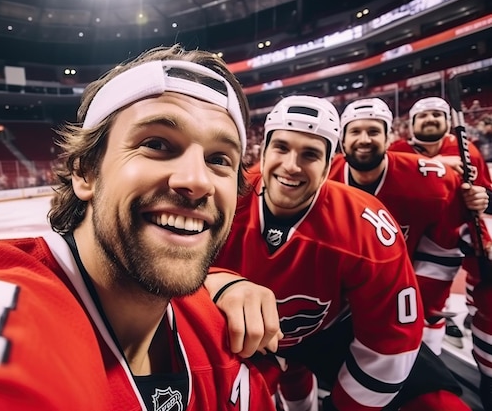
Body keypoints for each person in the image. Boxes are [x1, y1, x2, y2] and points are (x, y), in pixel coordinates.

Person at [0, 45, 277, 411]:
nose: (197, 180)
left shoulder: (221, 330)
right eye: (156, 143)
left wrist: (223, 282)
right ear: (85, 173)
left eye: (220, 158)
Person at [205, 95, 470, 411]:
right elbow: (167, 274)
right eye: (281, 148)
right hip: (244, 331)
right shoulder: (221, 197)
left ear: (329, 164)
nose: (291, 166)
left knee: (440, 404)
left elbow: (390, 343)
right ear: (262, 151)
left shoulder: (367, 226)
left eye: (310, 154)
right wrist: (216, 281)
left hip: (336, 328)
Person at [329, 97, 488, 355]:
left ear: (388, 138)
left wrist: (477, 199)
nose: (365, 139)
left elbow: (456, 229)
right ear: (342, 140)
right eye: (355, 131)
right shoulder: (323, 175)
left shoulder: (436, 179)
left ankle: (429, 346)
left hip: (405, 268)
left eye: (373, 131)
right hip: (345, 277)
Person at [389, 96, 492, 409]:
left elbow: (487, 193)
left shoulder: (468, 150)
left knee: (463, 304)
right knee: (415, 308)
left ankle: (447, 368)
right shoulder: (398, 151)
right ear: (411, 123)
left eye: (437, 114)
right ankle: (419, 369)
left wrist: (483, 197)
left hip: (456, 235)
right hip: (411, 239)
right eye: (424, 115)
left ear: (448, 121)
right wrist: (441, 165)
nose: (431, 119)